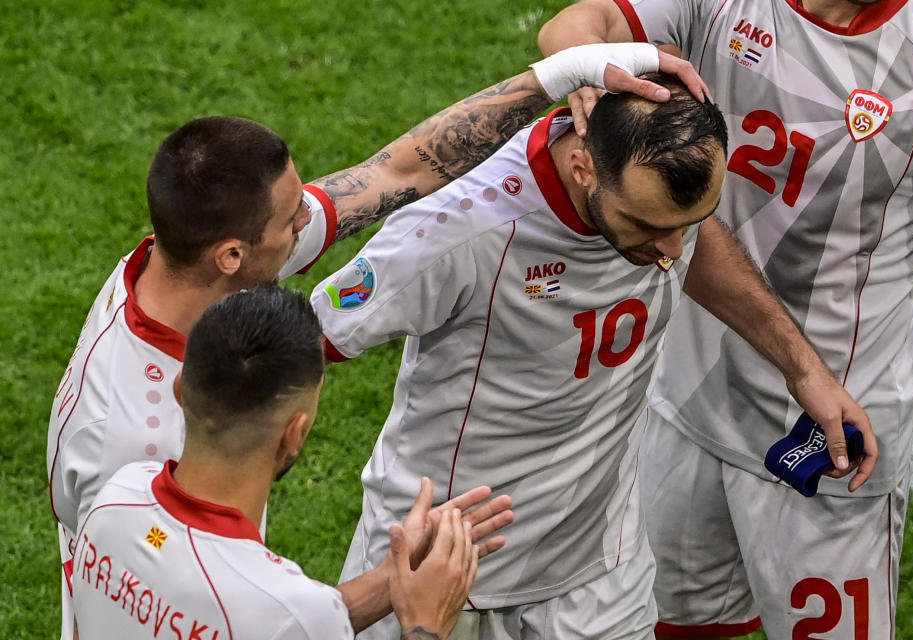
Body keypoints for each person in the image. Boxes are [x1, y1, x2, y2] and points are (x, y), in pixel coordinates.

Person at [47, 42, 701, 640]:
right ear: (232, 255)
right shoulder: (131, 446)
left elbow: (395, 173)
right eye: (293, 218)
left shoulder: (171, 271)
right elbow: (177, 606)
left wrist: (558, 75)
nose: (313, 215)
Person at [311, 77, 875, 640]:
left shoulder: (660, 212)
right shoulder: (462, 229)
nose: (672, 252)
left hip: (601, 574)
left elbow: (691, 243)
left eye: (690, 224)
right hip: (438, 572)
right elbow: (301, 344)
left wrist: (804, 368)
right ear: (583, 168)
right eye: (649, 227)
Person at [539, 1, 913, 637]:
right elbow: (577, 23)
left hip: (834, 436)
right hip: (685, 393)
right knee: (669, 625)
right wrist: (589, 74)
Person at [72, 285, 488, 640]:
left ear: (181, 388)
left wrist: (391, 575)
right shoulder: (286, 611)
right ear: (294, 432)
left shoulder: (116, 498)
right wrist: (425, 624)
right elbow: (280, 618)